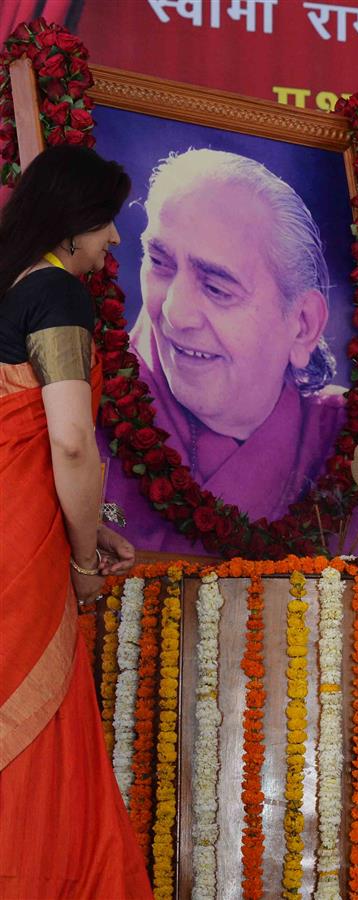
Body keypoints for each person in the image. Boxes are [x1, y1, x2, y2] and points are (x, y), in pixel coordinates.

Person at [0, 145, 151, 897]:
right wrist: (86, 557)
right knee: (37, 735)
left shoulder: (6, 289)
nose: (115, 241)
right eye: (106, 224)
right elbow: (67, 439)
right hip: (19, 547)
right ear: (70, 226)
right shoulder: (57, 293)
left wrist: (92, 525)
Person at [102, 148, 348, 553]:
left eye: (217, 288)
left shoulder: (349, 440)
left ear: (302, 325)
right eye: (160, 263)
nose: (175, 314)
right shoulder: (82, 402)